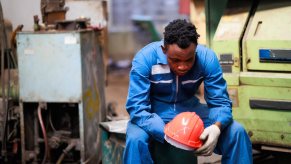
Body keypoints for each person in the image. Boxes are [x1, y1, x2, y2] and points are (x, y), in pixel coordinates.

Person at [123, 19, 252, 164]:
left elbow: (220, 102)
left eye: (189, 60)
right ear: (164, 49)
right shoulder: (145, 59)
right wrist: (167, 132)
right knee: (135, 139)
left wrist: (216, 127)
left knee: (237, 132)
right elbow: (136, 107)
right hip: (154, 113)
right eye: (175, 60)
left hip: (191, 111)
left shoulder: (207, 58)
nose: (183, 66)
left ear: (196, 49)